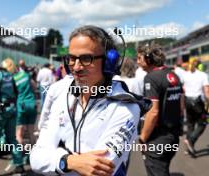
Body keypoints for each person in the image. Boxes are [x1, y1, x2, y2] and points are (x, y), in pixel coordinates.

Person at [30, 25, 149, 176]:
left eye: (86, 58)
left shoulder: (127, 106)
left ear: (108, 62)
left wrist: (55, 156)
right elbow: (36, 158)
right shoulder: (63, 94)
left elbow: (99, 170)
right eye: (72, 58)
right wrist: (69, 161)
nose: (77, 67)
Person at [137, 43, 184, 176]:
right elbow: (181, 105)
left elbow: (153, 112)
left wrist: (143, 138)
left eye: (139, 58)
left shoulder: (151, 78)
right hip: (173, 135)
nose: (138, 62)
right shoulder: (173, 75)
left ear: (148, 59)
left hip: (159, 138)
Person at [0, 55, 24, 175]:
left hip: (1, 111)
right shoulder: (9, 76)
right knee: (12, 139)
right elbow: (16, 92)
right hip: (12, 109)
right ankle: (19, 164)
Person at [182, 58, 209, 154]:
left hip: (187, 101)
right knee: (203, 123)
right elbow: (206, 93)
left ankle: (188, 148)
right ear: (199, 65)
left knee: (190, 125)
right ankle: (191, 140)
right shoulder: (203, 75)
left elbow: (183, 89)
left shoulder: (185, 75)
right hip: (198, 103)